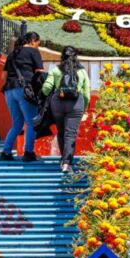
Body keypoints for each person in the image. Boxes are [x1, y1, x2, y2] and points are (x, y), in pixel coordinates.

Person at [41, 46, 90, 174]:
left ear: (62, 56)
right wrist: (84, 107)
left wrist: (49, 94)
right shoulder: (82, 71)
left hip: (58, 103)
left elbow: (46, 88)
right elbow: (86, 93)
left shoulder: (56, 70)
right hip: (76, 103)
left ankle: (63, 160)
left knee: (61, 131)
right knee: (70, 134)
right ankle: (66, 163)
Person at [0, 32, 45, 162]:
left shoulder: (12, 54)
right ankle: (28, 152)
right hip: (24, 90)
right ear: (33, 41)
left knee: (17, 124)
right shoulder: (33, 52)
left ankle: (6, 152)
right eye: (38, 43)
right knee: (31, 122)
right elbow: (40, 73)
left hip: (9, 91)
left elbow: (3, 76)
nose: (37, 46)